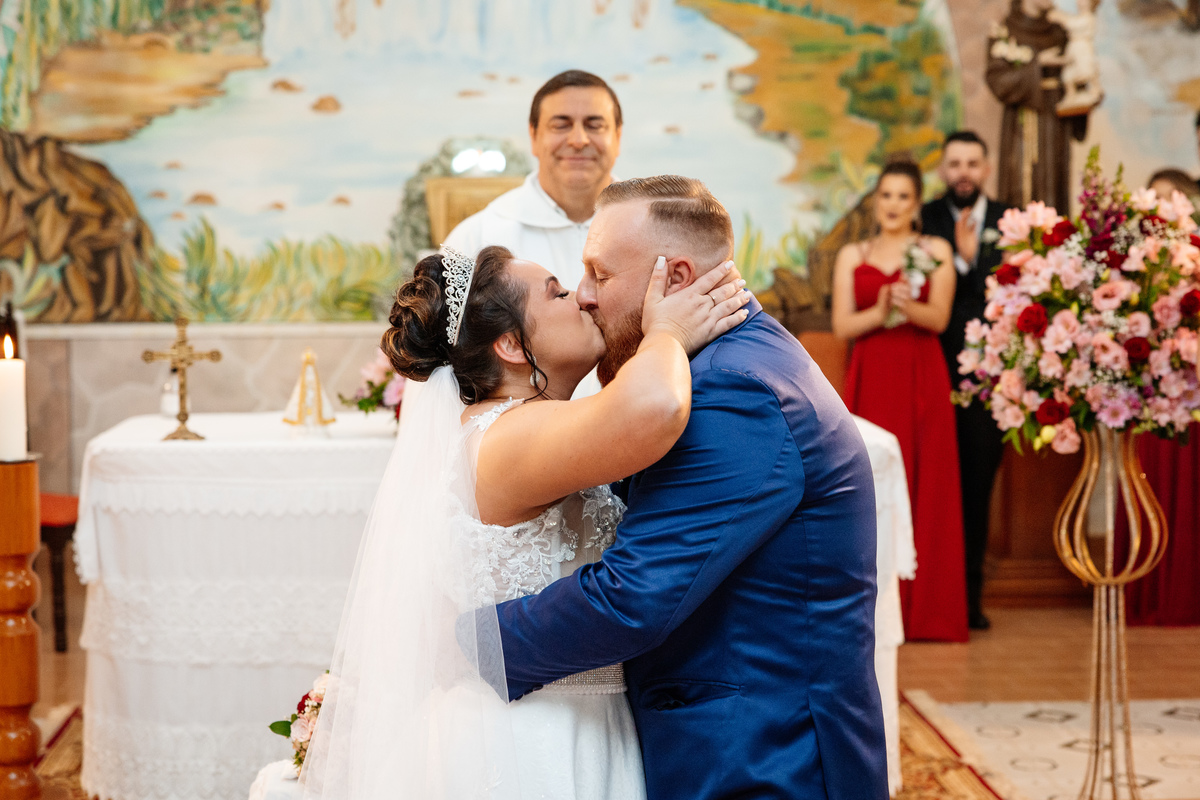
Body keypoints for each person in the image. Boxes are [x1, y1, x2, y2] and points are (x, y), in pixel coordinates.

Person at [300, 241, 750, 799]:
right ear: (511, 344)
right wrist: (668, 335)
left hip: (578, 719)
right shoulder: (505, 437)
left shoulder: (530, 425)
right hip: (529, 743)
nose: (583, 299)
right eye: (558, 292)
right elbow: (655, 406)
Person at [491, 176, 888, 800]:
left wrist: (467, 647)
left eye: (599, 274)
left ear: (674, 278)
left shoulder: (735, 390)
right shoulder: (706, 367)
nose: (586, 297)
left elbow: (632, 598)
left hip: (764, 758)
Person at [833, 158, 969, 643]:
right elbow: (844, 326)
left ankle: (928, 612)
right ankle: (869, 609)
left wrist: (906, 305)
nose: (892, 205)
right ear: (876, 201)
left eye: (902, 197)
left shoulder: (935, 249)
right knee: (868, 480)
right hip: (871, 374)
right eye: (885, 195)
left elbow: (939, 318)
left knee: (925, 481)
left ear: (916, 205)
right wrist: (881, 307)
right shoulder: (854, 253)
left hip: (920, 374)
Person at [921, 131, 1013, 631]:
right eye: (954, 163)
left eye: (972, 163)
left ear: (986, 167)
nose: (963, 172)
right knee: (934, 490)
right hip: (931, 373)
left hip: (988, 383)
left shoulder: (1010, 221)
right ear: (943, 170)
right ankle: (932, 599)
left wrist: (968, 262)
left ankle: (969, 600)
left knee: (977, 490)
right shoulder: (926, 218)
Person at [444, 69, 622, 292]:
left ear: (617, 136)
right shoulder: (476, 239)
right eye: (561, 125)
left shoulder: (650, 230)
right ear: (534, 136)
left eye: (594, 125)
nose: (579, 140)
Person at [987, 0, 1090, 212]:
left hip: (1056, 118)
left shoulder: (1060, 31)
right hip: (1022, 120)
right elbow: (998, 81)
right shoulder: (1005, 31)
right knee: (1022, 182)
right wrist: (1037, 64)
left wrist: (1082, 87)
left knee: (1054, 178)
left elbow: (1078, 69)